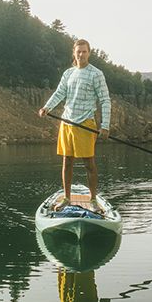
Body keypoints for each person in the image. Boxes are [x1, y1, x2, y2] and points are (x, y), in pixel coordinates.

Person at [38, 39, 111, 212]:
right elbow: (59, 93)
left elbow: (105, 100)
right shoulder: (68, 73)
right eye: (78, 51)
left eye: (84, 51)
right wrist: (46, 107)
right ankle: (67, 198)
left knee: (89, 164)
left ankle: (93, 200)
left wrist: (105, 125)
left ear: (89, 53)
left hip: (86, 123)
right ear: (74, 53)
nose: (81, 54)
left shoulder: (96, 74)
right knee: (67, 161)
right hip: (67, 122)